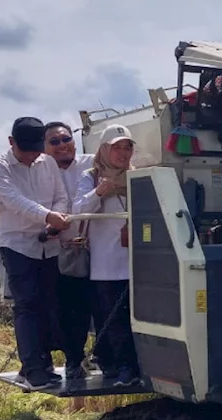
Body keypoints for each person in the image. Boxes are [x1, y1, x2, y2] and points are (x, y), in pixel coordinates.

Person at [0, 116, 70, 391]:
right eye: (28, 150)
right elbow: (13, 201)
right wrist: (47, 216)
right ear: (11, 143)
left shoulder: (47, 162)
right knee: (28, 304)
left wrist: (54, 221)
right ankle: (34, 368)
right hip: (17, 243)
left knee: (49, 304)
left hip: (49, 242)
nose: (34, 156)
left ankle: (40, 365)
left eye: (37, 149)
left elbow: (61, 196)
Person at [73, 124, 141, 387]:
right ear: (103, 150)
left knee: (130, 318)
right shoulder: (90, 177)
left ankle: (129, 367)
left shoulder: (139, 177)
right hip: (104, 263)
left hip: (136, 262)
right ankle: (113, 366)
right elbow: (78, 209)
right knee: (109, 318)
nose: (123, 153)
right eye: (116, 147)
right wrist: (99, 192)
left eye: (127, 147)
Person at [43, 121, 95, 381]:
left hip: (92, 249)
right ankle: (68, 360)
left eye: (66, 139)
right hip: (54, 251)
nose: (62, 145)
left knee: (89, 308)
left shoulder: (92, 163)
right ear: (44, 147)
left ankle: (87, 360)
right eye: (54, 141)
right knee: (59, 310)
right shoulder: (39, 172)